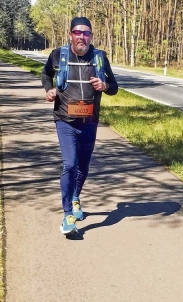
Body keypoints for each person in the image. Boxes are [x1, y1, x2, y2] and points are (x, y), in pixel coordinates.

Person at [41, 17, 118, 235]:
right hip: (65, 120)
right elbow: (46, 74)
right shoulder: (58, 54)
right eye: (77, 32)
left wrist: (104, 85)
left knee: (83, 167)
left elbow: (114, 87)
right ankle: (67, 216)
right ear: (70, 34)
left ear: (91, 36)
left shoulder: (100, 57)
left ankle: (75, 197)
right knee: (70, 164)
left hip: (90, 121)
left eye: (86, 33)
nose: (81, 36)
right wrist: (48, 89)